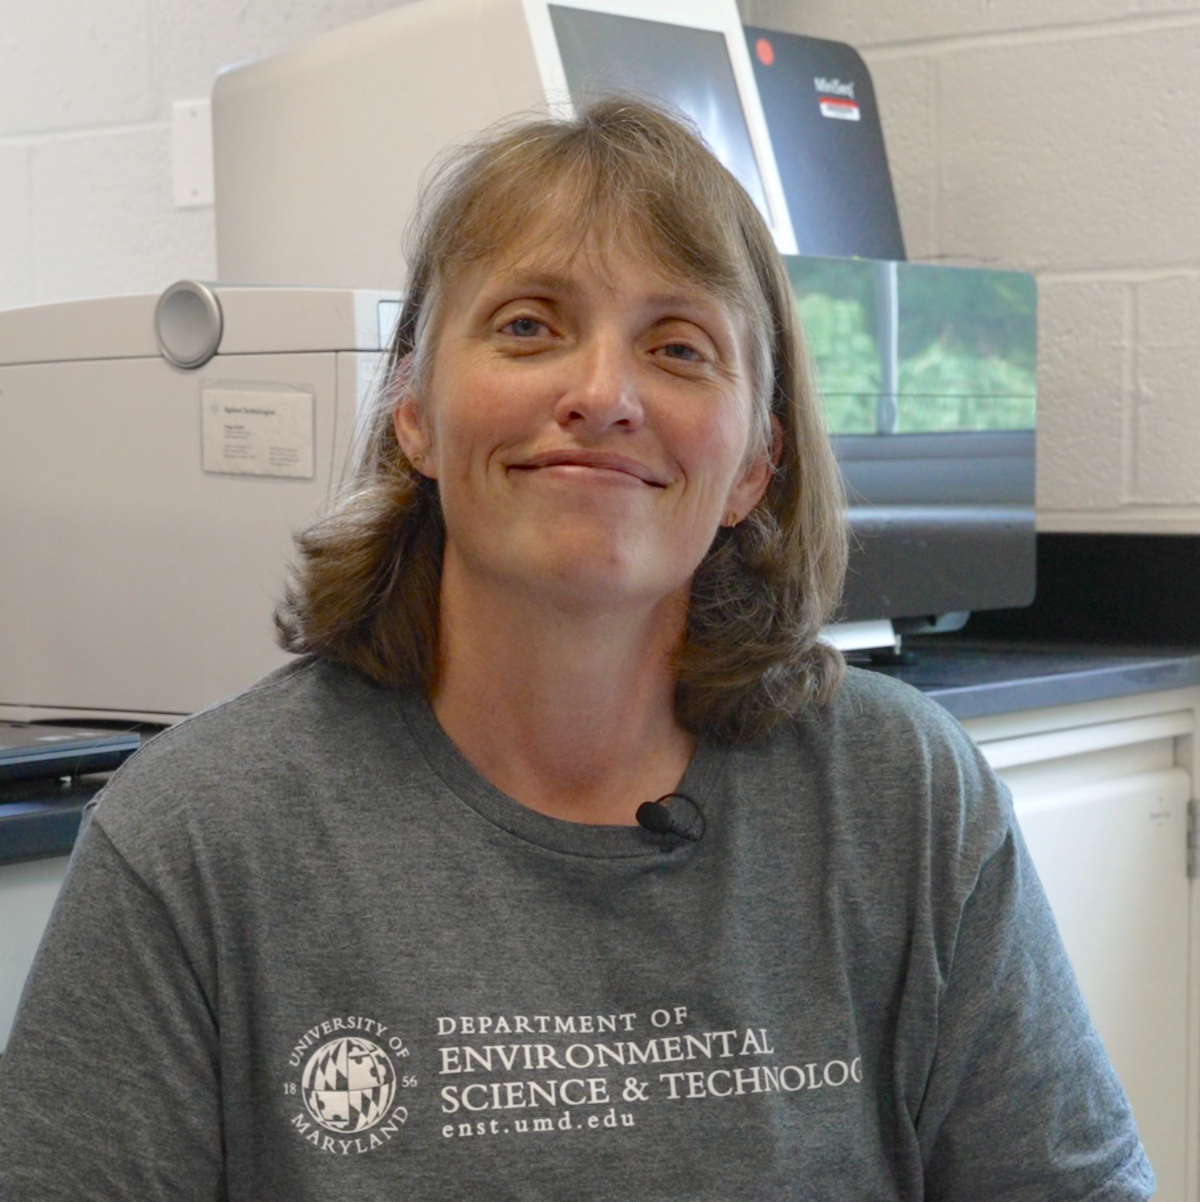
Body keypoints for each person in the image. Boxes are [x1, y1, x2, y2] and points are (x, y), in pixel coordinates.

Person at [0, 98, 1151, 1201]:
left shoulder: (905, 801)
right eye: (528, 326)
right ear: (415, 410)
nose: (602, 394)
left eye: (681, 347)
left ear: (754, 463)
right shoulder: (195, 842)